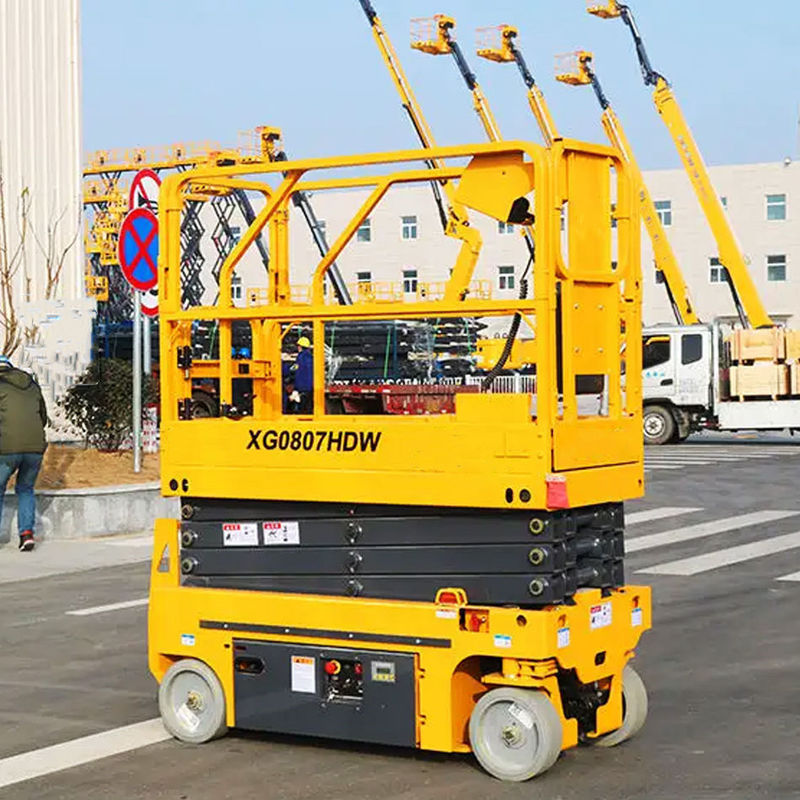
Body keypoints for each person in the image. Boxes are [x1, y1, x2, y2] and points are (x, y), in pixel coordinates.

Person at [0, 355, 47, 551]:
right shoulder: (32, 384)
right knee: (26, 489)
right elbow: (43, 417)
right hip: (35, 447)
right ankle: (26, 534)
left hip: (7, 447)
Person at [293, 336, 314, 413]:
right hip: (310, 387)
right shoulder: (311, 358)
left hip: (301, 387)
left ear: (300, 347)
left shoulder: (300, 357)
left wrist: (288, 369)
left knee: (300, 408)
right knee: (308, 407)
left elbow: (296, 368)